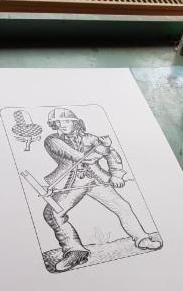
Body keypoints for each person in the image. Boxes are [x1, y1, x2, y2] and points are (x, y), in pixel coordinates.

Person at [42, 107, 162, 271]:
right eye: (58, 122)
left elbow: (112, 155)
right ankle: (75, 251)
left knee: (122, 206)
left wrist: (117, 174)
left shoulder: (90, 138)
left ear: (75, 123)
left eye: (66, 121)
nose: (62, 124)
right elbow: (76, 156)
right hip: (71, 183)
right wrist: (102, 148)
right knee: (53, 214)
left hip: (95, 179)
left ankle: (142, 239)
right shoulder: (52, 140)